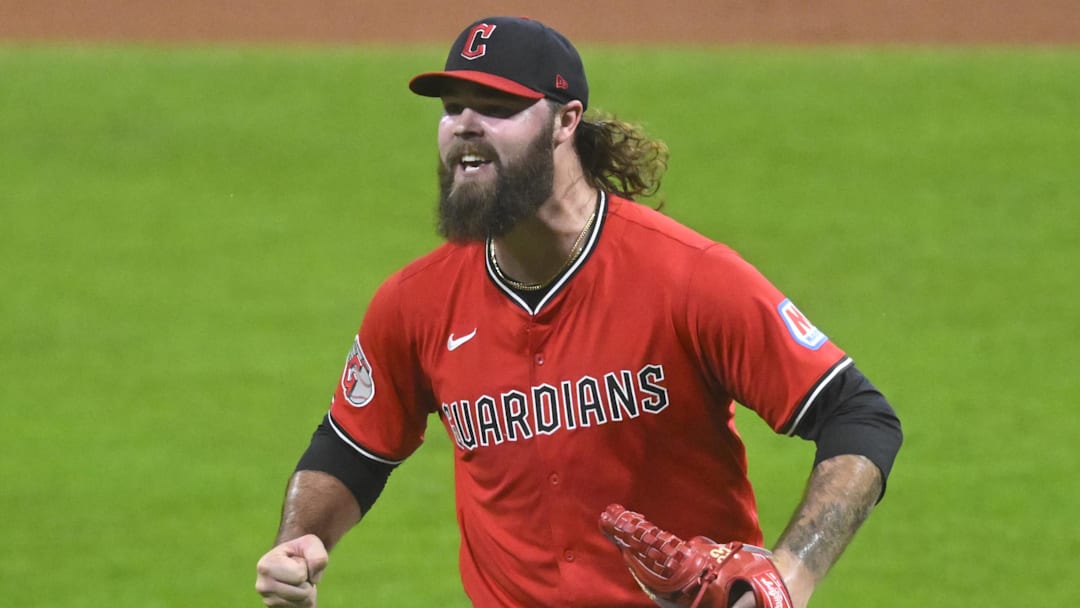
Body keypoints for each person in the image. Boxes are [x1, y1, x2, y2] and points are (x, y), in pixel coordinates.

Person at [254, 15, 902, 608]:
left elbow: (858, 415)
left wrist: (790, 572)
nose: (465, 125)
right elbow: (350, 448)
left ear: (567, 121)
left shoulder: (685, 278)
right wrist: (299, 544)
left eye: (498, 107)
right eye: (453, 108)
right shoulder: (415, 304)